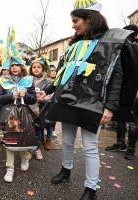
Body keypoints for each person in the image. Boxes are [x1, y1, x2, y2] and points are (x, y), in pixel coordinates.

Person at [37, 0, 138, 199]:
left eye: (76, 21)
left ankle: (91, 188)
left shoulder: (111, 43)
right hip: (68, 101)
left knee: (90, 146)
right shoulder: (74, 44)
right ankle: (66, 170)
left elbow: (116, 77)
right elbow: (62, 73)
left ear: (89, 19)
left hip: (94, 103)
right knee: (66, 140)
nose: (73, 25)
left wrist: (110, 107)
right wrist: (47, 90)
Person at [0, 26, 36, 183]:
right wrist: (10, 95)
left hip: (24, 116)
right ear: (9, 67)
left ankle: (26, 156)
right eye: (12, 65)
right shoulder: (3, 81)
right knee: (10, 143)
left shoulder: (28, 81)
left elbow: (33, 99)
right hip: (8, 116)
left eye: (17, 65)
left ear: (22, 67)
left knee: (22, 141)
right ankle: (10, 168)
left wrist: (25, 95)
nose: (14, 68)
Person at [105, 24, 138, 160]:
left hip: (134, 90)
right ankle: (120, 143)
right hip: (123, 89)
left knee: (134, 122)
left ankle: (131, 148)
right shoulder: (123, 47)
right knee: (119, 117)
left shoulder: (134, 47)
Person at [29, 57, 52, 158]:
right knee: (29, 129)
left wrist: (40, 98)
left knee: (38, 129)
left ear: (43, 69)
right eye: (34, 67)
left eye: (39, 67)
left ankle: (37, 149)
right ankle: (29, 150)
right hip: (28, 108)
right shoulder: (27, 80)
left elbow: (50, 96)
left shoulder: (48, 82)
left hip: (41, 109)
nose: (36, 69)